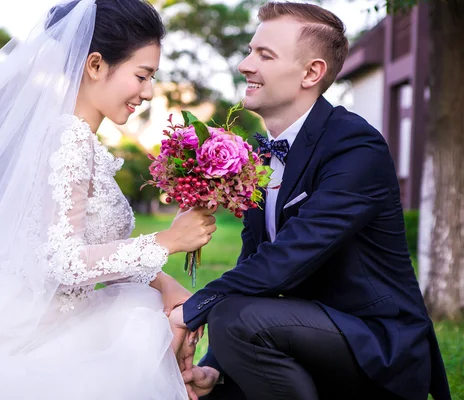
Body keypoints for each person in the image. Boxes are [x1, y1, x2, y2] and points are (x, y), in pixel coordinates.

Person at [0, 0, 212, 398]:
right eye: (142, 75)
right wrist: (168, 240)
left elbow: (88, 246)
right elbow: (62, 261)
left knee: (145, 315)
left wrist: (163, 281)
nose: (148, 92)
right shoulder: (69, 140)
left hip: (57, 313)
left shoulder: (78, 139)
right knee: (140, 328)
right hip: (25, 326)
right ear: (96, 65)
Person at [174, 2, 451, 400]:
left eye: (264, 55)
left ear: (311, 73)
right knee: (209, 378)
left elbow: (288, 258)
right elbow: (254, 265)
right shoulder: (259, 154)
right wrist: (215, 367)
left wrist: (190, 311)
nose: (245, 65)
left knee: (233, 316)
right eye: (251, 51)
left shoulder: (355, 145)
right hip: (305, 334)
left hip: (376, 344)